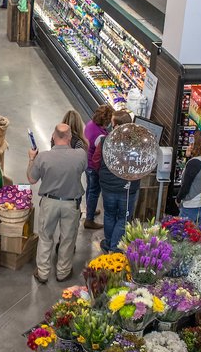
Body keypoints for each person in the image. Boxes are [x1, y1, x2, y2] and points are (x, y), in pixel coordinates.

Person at [27, 123, 87, 283]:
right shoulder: (81, 155)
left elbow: (31, 179)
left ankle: (43, 273)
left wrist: (32, 158)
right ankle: (63, 272)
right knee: (68, 238)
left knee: (46, 237)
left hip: (49, 202)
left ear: (53, 137)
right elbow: (82, 170)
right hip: (71, 203)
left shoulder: (43, 157)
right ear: (70, 138)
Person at [98, 112, 140, 253]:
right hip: (128, 188)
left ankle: (110, 243)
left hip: (108, 187)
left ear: (115, 125)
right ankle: (115, 248)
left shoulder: (104, 141)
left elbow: (95, 161)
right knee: (123, 218)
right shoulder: (137, 144)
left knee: (109, 214)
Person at [83, 104, 114, 230]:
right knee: (94, 192)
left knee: (89, 188)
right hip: (94, 167)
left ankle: (90, 209)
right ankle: (89, 219)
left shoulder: (90, 124)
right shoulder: (100, 137)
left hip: (86, 162)